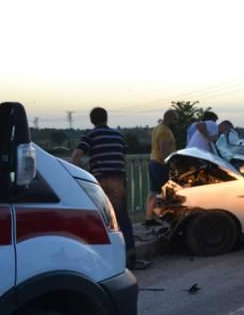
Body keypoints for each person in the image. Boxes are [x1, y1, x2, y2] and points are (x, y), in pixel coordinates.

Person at [72, 107, 136, 267]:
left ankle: (103, 256)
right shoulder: (118, 135)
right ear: (106, 118)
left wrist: (74, 171)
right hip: (118, 178)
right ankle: (130, 252)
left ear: (92, 120)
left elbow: (77, 155)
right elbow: (123, 157)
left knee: (99, 216)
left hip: (99, 179)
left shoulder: (90, 135)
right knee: (121, 215)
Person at [145, 109, 177, 227]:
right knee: (165, 193)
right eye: (175, 119)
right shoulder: (164, 131)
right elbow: (164, 150)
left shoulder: (158, 128)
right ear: (169, 118)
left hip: (153, 162)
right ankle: (165, 219)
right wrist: (171, 164)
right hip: (161, 165)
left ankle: (148, 219)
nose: (176, 122)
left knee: (153, 192)